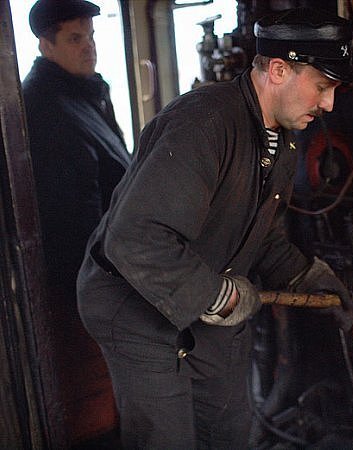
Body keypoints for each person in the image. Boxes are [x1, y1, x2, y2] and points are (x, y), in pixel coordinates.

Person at [77, 6, 353, 449]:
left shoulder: (280, 140)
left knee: (227, 430)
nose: (328, 104)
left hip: (201, 291)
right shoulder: (204, 124)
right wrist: (220, 296)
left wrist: (308, 276)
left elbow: (259, 234)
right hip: (133, 301)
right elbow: (137, 238)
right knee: (167, 440)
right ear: (279, 70)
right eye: (322, 87)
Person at [21, 0, 130, 443]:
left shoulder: (84, 95)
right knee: (97, 414)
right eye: (74, 39)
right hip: (85, 289)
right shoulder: (45, 108)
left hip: (108, 275)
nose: (89, 47)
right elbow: (74, 219)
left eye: (91, 37)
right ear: (45, 45)